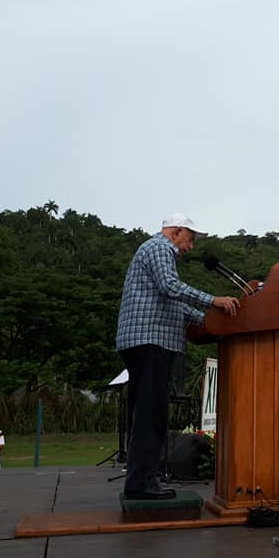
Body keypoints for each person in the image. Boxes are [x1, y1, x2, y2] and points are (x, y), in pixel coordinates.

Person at [115, 212, 240, 501]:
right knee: (151, 415)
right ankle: (143, 482)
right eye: (190, 239)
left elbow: (174, 304)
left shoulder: (157, 251)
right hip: (151, 341)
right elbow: (172, 289)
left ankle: (142, 479)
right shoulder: (160, 247)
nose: (191, 247)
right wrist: (214, 301)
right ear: (176, 232)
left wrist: (209, 321)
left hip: (145, 341)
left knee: (147, 414)